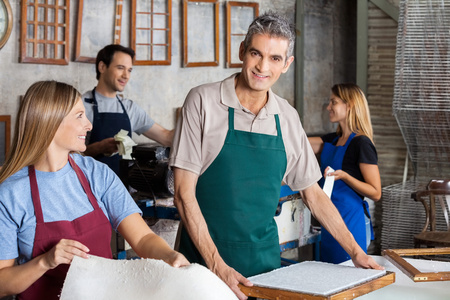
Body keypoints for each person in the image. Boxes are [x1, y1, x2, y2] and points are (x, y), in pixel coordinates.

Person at [169, 12, 383, 300]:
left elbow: (314, 194)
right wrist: (217, 266)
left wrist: (356, 252)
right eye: (256, 53)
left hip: (265, 269)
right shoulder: (203, 101)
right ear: (242, 51)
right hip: (203, 267)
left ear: (287, 64)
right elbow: (183, 194)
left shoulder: (287, 117)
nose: (262, 66)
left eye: (275, 58)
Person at [0, 81, 189, 299]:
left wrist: (170, 256)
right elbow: (3, 282)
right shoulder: (11, 194)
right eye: (79, 115)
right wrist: (45, 261)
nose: (89, 125)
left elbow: (143, 238)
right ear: (51, 121)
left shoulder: (97, 174)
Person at [308, 83, 382, 264]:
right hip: (329, 219)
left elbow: (376, 192)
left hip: (350, 221)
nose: (328, 107)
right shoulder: (332, 140)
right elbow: (300, 142)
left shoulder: (361, 143)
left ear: (349, 106)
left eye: (333, 102)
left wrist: (347, 177)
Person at [83, 44, 174, 175]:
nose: (126, 75)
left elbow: (166, 137)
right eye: (120, 68)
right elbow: (68, 155)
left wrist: (194, 122)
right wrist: (99, 147)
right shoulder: (81, 105)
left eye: (129, 70)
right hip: (89, 187)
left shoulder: (130, 108)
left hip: (123, 189)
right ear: (102, 67)